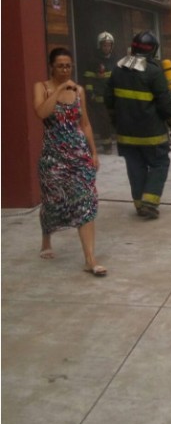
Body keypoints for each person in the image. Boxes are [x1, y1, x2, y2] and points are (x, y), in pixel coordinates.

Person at [33, 48, 105, 276]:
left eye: (68, 66)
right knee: (53, 201)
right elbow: (42, 113)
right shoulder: (41, 88)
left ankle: (90, 259)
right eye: (60, 66)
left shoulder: (79, 91)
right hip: (53, 157)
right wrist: (60, 89)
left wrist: (93, 153)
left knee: (86, 201)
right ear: (51, 67)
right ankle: (47, 238)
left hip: (79, 155)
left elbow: (85, 124)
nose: (65, 70)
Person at [105, 31, 171, 219]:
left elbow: (108, 99)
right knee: (160, 163)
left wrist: (116, 121)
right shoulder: (154, 71)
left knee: (135, 166)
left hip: (126, 133)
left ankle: (139, 204)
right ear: (153, 50)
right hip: (151, 133)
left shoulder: (118, 69)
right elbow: (164, 102)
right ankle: (150, 203)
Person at [83, 31, 116, 152]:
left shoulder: (114, 61)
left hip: (113, 97)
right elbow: (88, 78)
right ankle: (107, 146)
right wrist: (90, 92)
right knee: (104, 121)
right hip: (99, 97)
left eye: (109, 45)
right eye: (104, 45)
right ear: (100, 46)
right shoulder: (94, 61)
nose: (107, 48)